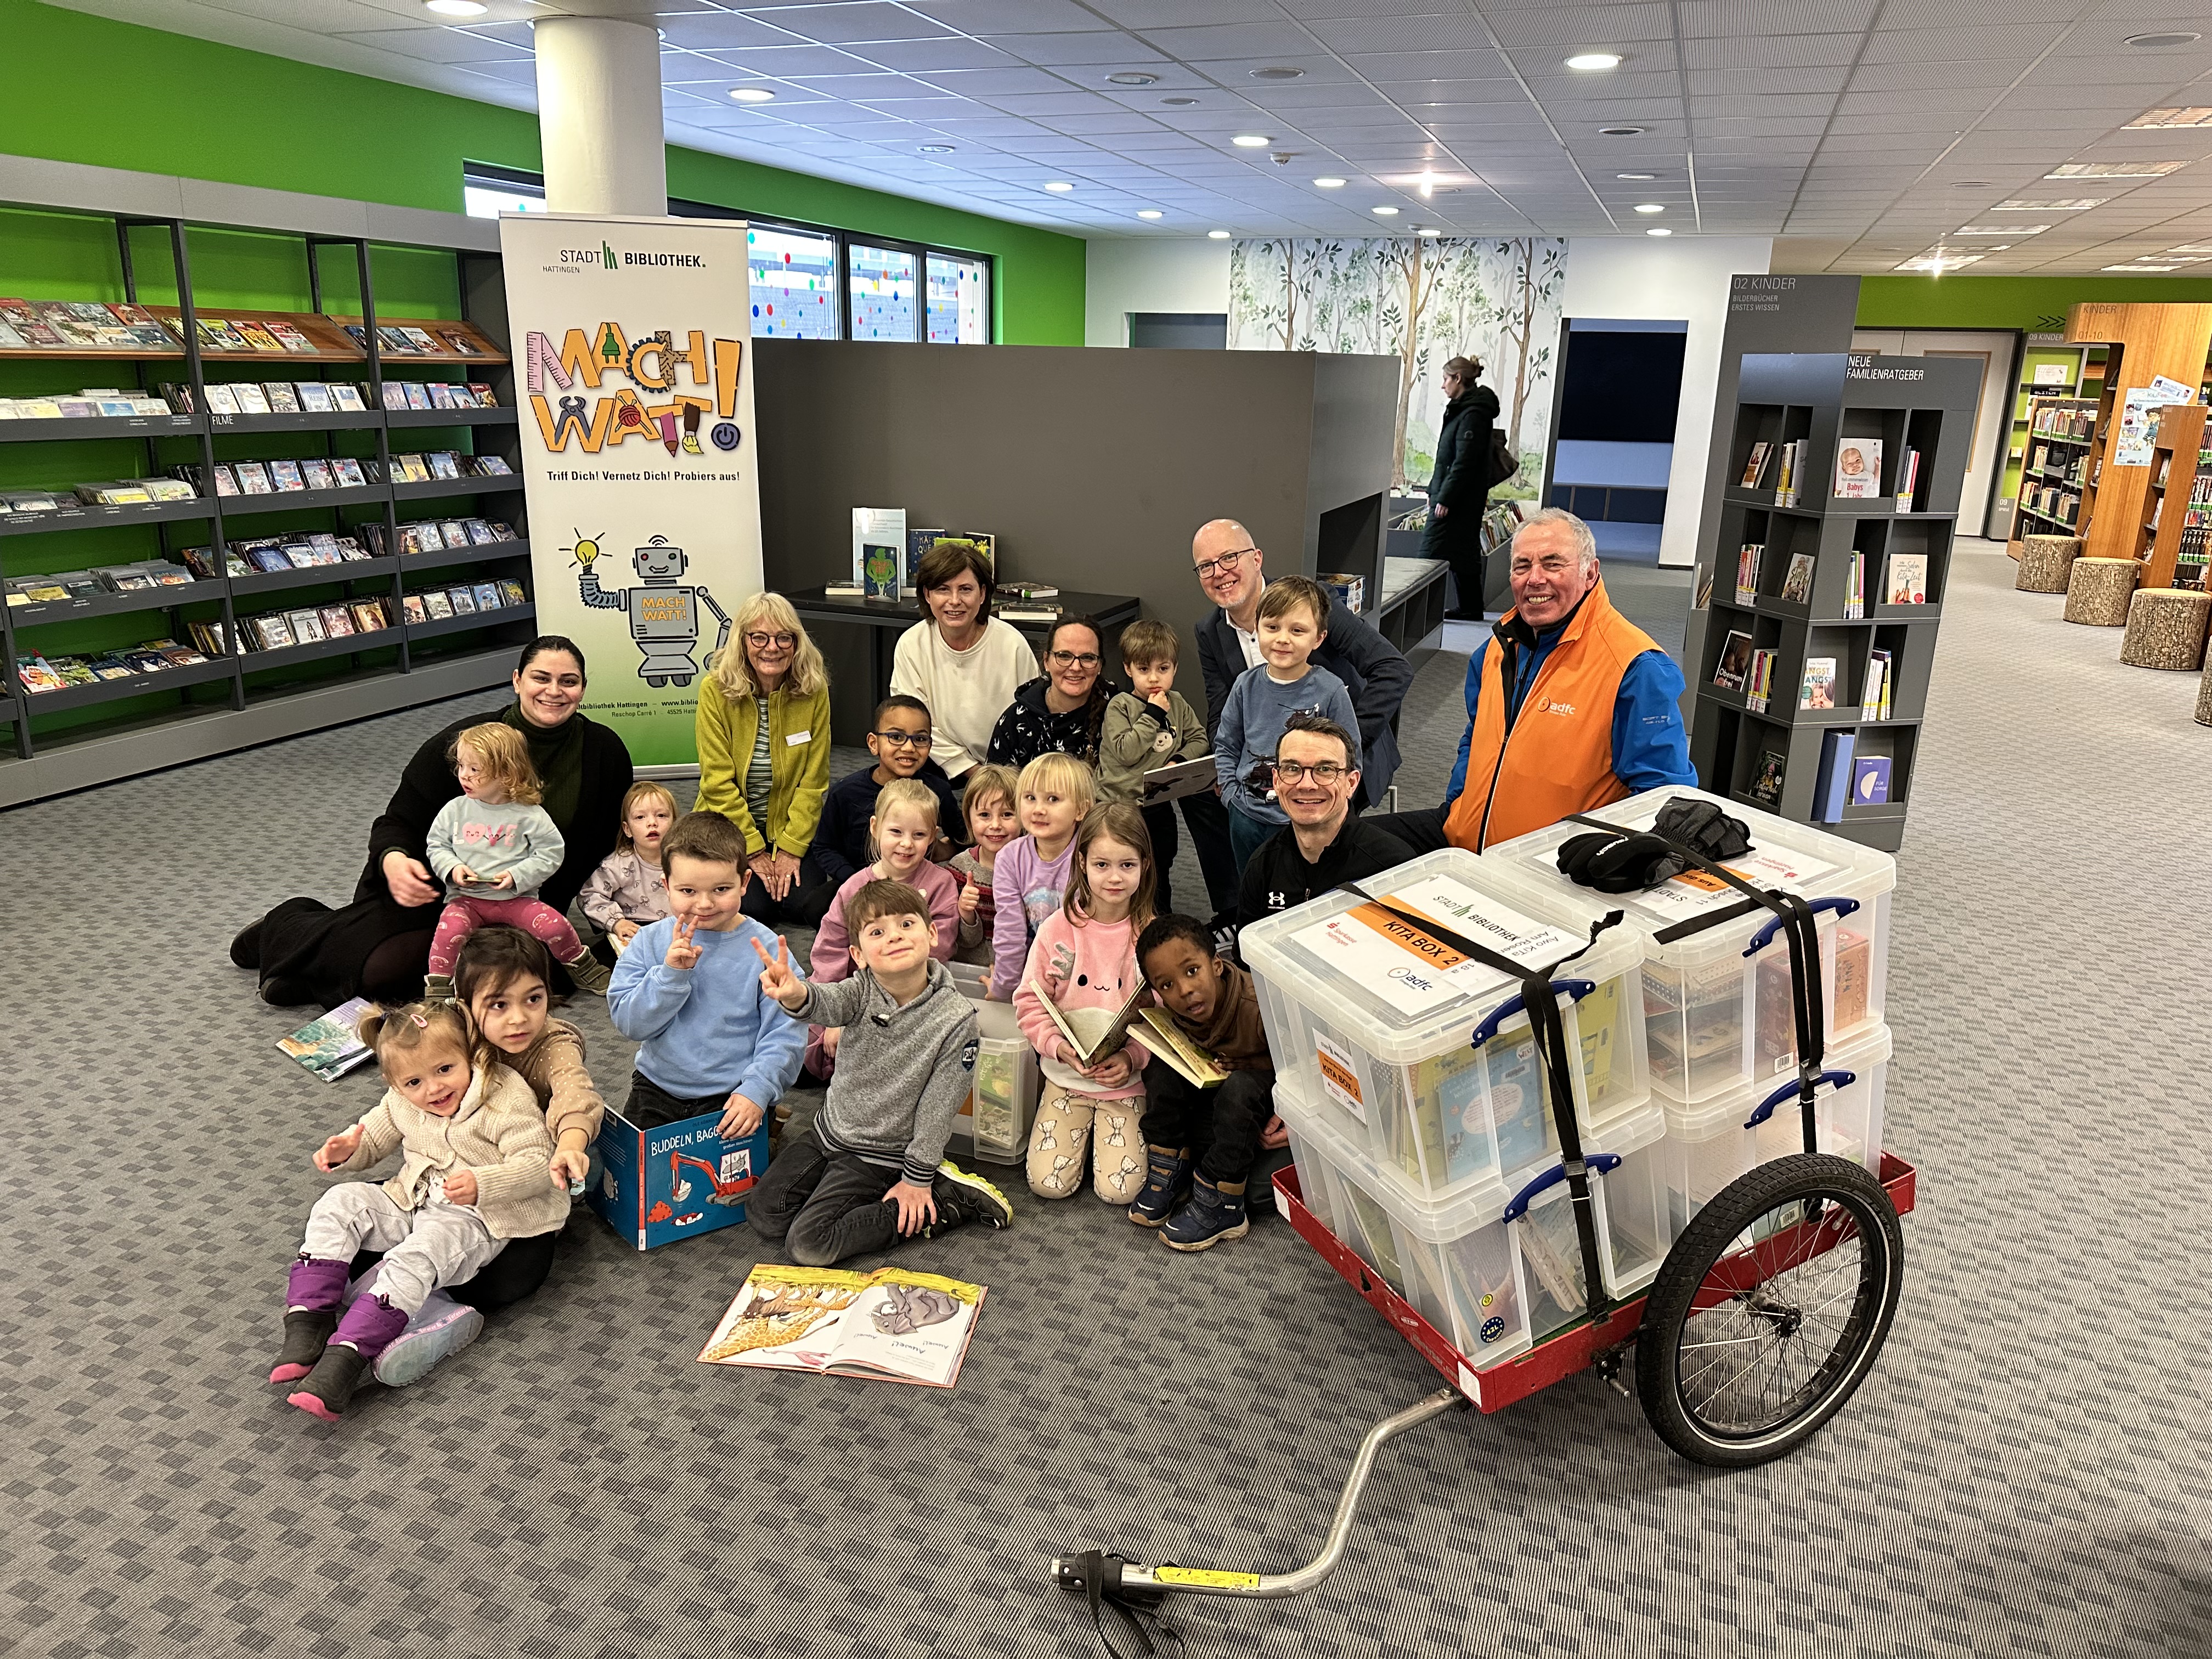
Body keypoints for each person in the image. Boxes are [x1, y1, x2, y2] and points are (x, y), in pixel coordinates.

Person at [234, 637, 633, 1007]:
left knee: (506, 980)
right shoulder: (464, 744)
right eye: (540, 678)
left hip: (525, 901)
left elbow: (609, 844)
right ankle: (290, 925)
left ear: (582, 688)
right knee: (392, 968)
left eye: (569, 681)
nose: (554, 691)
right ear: (517, 681)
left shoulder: (604, 752)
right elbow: (398, 822)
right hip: (440, 890)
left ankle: (310, 964)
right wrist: (393, 860)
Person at [273, 1000, 568, 1421]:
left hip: (485, 1217)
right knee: (339, 1202)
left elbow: (538, 1163)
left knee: (419, 1253)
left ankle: (349, 1355)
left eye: (445, 1070)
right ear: (396, 1083)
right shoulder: (402, 1099)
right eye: (414, 1082)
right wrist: (349, 1150)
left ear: (469, 1055)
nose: (432, 1090)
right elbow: (375, 1136)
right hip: (417, 1195)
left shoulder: (503, 1096)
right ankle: (309, 1319)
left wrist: (485, 1183)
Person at [345, 926, 607, 1389]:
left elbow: (574, 1095)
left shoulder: (553, 1046)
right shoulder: (455, 1037)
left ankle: (421, 1308)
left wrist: (570, 1142)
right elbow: (400, 1094)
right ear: (466, 1009)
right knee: (348, 1232)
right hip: (445, 1192)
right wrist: (355, 1141)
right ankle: (400, 1291)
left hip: (528, 1187)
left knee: (509, 1282)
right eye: (499, 1005)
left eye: (534, 999)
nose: (519, 1020)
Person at [1374, 509, 1694, 856]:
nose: (1535, 579)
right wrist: (1459, 802)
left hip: (1545, 867)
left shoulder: (1635, 666)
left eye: (1553, 564)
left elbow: (1664, 795)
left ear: (1590, 572)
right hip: (1465, 833)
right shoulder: (1495, 649)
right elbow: (1476, 735)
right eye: (1522, 566)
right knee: (1332, 844)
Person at [749, 883, 1012, 1265]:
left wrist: (917, 1177)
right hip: (830, 1133)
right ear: (859, 955)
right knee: (765, 1215)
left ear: (932, 933)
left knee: (809, 1245)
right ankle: (881, 1193)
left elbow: (940, 1106)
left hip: (882, 1155)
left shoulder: (957, 1020)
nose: (895, 937)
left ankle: (944, 1200)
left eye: (907, 924)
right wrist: (795, 995)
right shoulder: (861, 990)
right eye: (877, 932)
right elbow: (826, 1002)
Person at [605, 810, 809, 1134]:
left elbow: (786, 1034)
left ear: (744, 883)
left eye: (720, 889)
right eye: (688, 891)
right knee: (636, 1178)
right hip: (657, 1087)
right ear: (666, 886)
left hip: (734, 1093)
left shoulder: (767, 950)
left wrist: (757, 1090)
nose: (704, 904)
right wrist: (670, 975)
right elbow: (631, 1025)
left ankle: (770, 1118)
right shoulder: (648, 941)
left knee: (734, 1184)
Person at [1190, 518, 1412, 803]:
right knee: (1207, 803)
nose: (1219, 573)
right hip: (1268, 767)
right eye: (1206, 566)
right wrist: (1227, 772)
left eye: (1229, 558)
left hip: (1337, 766)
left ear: (1256, 559)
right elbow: (1220, 711)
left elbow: (1393, 669)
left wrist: (1340, 748)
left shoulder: (1313, 601)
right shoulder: (1210, 631)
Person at [1013, 803, 1155, 1205]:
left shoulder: (1151, 935)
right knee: (1049, 1185)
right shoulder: (1057, 928)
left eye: (1127, 865)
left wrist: (1132, 1058)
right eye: (1102, 864)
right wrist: (1058, 1047)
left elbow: (1163, 1019)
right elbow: (1028, 1000)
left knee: (1121, 1192)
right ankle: (1084, 1137)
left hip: (1125, 1082)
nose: (1114, 877)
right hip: (1065, 1075)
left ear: (1145, 865)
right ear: (1082, 862)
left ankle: (1101, 1142)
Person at [420, 723, 610, 1002]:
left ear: (507, 773)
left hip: (516, 899)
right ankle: (438, 991)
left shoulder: (529, 814)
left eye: (476, 769)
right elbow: (436, 845)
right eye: (461, 766)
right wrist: (452, 868)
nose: (464, 776)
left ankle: (583, 967)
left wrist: (517, 875)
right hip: (467, 900)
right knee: (448, 935)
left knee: (557, 927)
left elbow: (551, 853)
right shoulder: (455, 809)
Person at [1128, 913, 1282, 1252]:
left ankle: (1223, 1200)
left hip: (1263, 1094)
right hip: (1214, 1093)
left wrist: (1253, 1063)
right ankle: (1171, 1163)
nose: (1185, 990)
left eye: (1192, 971)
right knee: (1161, 1069)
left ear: (1216, 965)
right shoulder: (1177, 1008)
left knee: (1240, 1089)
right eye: (1167, 985)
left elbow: (1302, 1064)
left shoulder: (1259, 1008)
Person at [694, 592, 835, 928]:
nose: (771, 647)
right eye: (759, 637)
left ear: (796, 643)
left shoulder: (814, 692)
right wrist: (754, 851)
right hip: (726, 827)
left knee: (806, 906)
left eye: (783, 638)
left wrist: (789, 849)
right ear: (742, 641)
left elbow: (814, 782)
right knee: (754, 909)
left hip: (787, 827)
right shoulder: (714, 690)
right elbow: (716, 783)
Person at [805, 778, 960, 1078]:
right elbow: (829, 954)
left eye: (919, 835)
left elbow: (941, 948)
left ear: (932, 837)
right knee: (806, 1048)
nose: (906, 843)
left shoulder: (941, 884)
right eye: (896, 832)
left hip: (915, 993)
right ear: (875, 828)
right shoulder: (853, 888)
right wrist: (833, 1017)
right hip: (856, 993)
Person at [1213, 575, 1361, 870]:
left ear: (1318, 638)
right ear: (1257, 628)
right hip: (1248, 814)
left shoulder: (1330, 690)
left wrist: (1330, 807)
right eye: (1272, 627)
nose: (1283, 638)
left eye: (1297, 630)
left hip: (1309, 817)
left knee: (1307, 891)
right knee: (1253, 887)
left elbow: (1350, 754)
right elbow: (1227, 744)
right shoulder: (1245, 685)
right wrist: (1231, 794)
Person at [1238, 715, 1414, 937]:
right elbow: (1248, 962)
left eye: (1325, 770)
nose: (1307, 785)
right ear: (1276, 781)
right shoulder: (1262, 866)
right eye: (1292, 769)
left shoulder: (1394, 865)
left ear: (1351, 783)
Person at [1098, 618, 1223, 920]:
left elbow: (1198, 738)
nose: (1154, 678)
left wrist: (1179, 761)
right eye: (1144, 670)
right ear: (1129, 669)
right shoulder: (1120, 706)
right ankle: (1123, 917)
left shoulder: (1177, 703)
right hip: (1119, 805)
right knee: (1126, 863)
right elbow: (1127, 751)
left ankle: (1159, 913)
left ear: (1174, 669)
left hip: (1157, 800)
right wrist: (1153, 714)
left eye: (1163, 669)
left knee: (1161, 858)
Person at [890, 539, 1034, 780]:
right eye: (943, 589)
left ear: (982, 594)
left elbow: (1031, 720)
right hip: (935, 760)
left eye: (965, 589)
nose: (954, 601)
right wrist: (971, 770)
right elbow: (913, 724)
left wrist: (997, 776)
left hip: (1007, 766)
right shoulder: (911, 644)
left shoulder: (1013, 645)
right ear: (927, 595)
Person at [815, 695, 962, 887]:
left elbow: (964, 838)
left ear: (930, 745)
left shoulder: (938, 790)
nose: (909, 748)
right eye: (896, 737)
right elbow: (825, 847)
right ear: (874, 743)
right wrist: (855, 880)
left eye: (920, 739)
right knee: (815, 906)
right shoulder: (846, 792)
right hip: (859, 884)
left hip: (915, 885)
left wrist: (940, 848)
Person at [988, 753, 1093, 1000]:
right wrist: (1004, 989)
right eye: (1030, 798)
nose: (1038, 809)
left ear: (1081, 809)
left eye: (1053, 799)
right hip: (1032, 974)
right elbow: (1009, 932)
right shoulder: (1010, 858)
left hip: (1085, 975)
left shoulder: (1090, 855)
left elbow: (1098, 930)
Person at [1424, 354, 1503, 619]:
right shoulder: (1465, 410)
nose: (1443, 385)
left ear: (1458, 379)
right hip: (1461, 496)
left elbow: (1464, 462)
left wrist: (1444, 498)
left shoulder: (1473, 414)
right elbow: (1448, 458)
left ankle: (1423, 615)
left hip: (1459, 498)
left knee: (1430, 554)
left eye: (1446, 379)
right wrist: (1433, 492)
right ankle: (1470, 608)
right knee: (1464, 551)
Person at [987, 615, 1118, 772]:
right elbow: (992, 789)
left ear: (1100, 666)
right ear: (1046, 661)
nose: (1076, 667)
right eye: (1064, 656)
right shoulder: (1015, 720)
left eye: (1087, 658)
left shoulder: (1121, 714)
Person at [578, 781, 678, 952]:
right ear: (628, 829)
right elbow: (589, 896)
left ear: (675, 824)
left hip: (678, 927)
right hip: (634, 928)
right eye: (640, 817)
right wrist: (616, 922)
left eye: (661, 816)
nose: (652, 823)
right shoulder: (618, 865)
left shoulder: (687, 861)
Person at [947, 764, 1019, 968]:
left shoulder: (1032, 869)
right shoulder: (959, 869)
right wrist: (965, 912)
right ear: (969, 820)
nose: (995, 825)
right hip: (970, 971)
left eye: (1007, 814)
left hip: (1018, 973)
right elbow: (964, 941)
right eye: (985, 815)